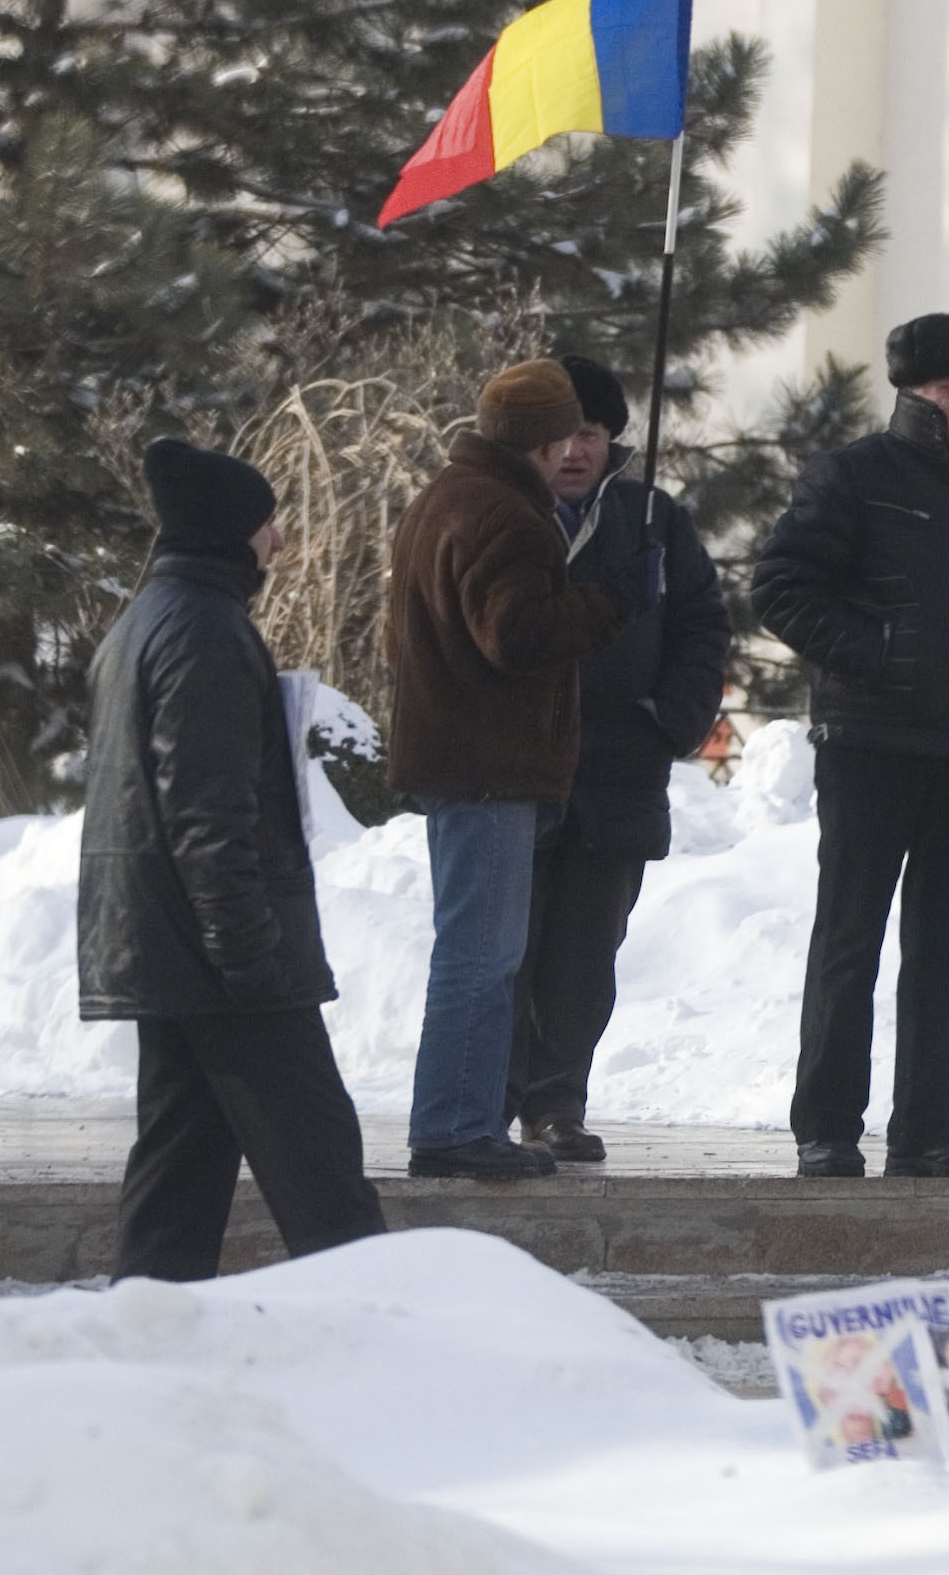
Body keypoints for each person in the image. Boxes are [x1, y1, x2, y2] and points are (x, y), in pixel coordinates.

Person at [754, 312, 949, 1180]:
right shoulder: (852, 476)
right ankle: (826, 1124)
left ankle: (928, 1127)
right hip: (869, 742)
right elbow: (779, 586)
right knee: (849, 937)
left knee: (948, 948)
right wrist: (876, 653)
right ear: (913, 392)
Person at [78, 438, 388, 1280]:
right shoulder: (207, 632)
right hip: (223, 954)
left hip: (169, 945)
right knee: (319, 1162)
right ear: (228, 533)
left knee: (179, 1166)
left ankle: (145, 1323)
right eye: (266, 524)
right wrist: (249, 952)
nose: (279, 542)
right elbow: (206, 815)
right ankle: (380, 1331)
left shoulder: (147, 620)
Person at [387, 359, 647, 1181]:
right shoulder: (507, 516)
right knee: (482, 956)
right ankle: (456, 1125)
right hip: (489, 764)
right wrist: (601, 601)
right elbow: (517, 635)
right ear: (545, 439)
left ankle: (453, 1120)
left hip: (457, 759)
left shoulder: (447, 496)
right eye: (566, 430)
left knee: (472, 950)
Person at [498, 354, 731, 1163]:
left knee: (583, 955)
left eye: (588, 434)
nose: (572, 453)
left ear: (610, 441)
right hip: (518, 766)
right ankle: (489, 1097)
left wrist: (671, 718)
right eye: (558, 436)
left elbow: (703, 623)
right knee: (506, 946)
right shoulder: (501, 513)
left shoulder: (652, 520)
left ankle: (556, 1102)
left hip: (618, 770)